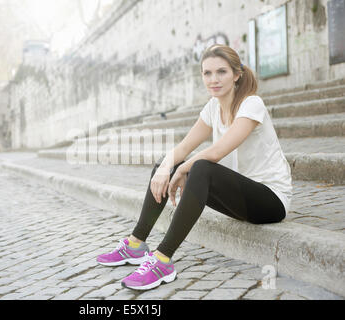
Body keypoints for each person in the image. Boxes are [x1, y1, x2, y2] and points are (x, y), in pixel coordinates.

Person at [96, 44, 293, 291]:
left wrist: (182, 170)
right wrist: (165, 167)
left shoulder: (251, 104)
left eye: (221, 72)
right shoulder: (212, 108)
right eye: (207, 73)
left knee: (200, 167)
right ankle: (136, 243)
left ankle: (162, 260)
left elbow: (218, 151)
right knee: (168, 164)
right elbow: (182, 147)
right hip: (238, 197)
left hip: (270, 200)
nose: (213, 79)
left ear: (236, 74)